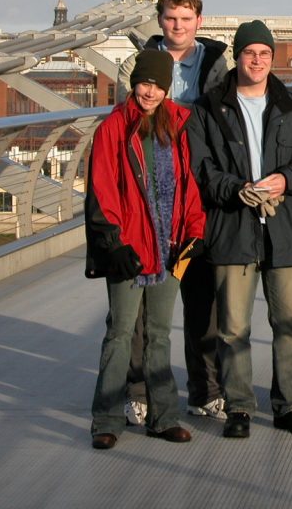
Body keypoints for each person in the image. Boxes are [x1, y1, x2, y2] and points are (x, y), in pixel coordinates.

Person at [188, 20, 292, 438]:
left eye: (265, 54)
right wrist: (236, 189)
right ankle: (240, 408)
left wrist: (286, 180)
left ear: (272, 57)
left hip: (283, 230)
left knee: (291, 324)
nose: (258, 61)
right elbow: (202, 169)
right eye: (250, 53)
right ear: (238, 56)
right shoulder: (208, 108)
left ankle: (291, 405)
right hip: (233, 229)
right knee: (233, 329)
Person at [116, 0, 230, 426]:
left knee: (203, 299)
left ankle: (205, 389)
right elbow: (121, 124)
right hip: (149, 197)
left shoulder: (217, 64)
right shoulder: (137, 63)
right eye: (170, 18)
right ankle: (138, 390)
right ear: (160, 20)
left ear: (199, 20)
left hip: (197, 194)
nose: (177, 26)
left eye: (185, 18)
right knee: (144, 300)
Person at [86, 49, 205, 450]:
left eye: (157, 84)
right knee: (120, 334)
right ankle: (106, 418)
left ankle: (164, 417)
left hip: (172, 249)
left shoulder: (182, 124)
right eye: (144, 82)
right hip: (130, 250)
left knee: (159, 335)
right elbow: (102, 190)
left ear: (167, 87)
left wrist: (194, 233)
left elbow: (192, 187)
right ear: (134, 82)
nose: (150, 91)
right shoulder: (113, 129)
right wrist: (113, 243)